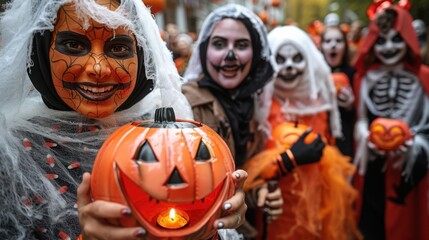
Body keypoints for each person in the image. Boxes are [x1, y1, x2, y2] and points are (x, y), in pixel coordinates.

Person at [0, 0, 247, 239]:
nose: (98, 68)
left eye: (118, 48)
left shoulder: (167, 133)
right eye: (74, 45)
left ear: (141, 55)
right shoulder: (10, 156)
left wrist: (211, 226)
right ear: (42, 48)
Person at [181, 4, 283, 239]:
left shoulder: (253, 104)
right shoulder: (185, 104)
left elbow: (237, 175)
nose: (230, 56)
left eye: (241, 45)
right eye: (219, 44)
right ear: (205, 50)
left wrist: (260, 191)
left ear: (256, 52)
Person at [252, 25, 360, 239]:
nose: (289, 67)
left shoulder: (320, 99)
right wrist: (288, 159)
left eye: (296, 59)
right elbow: (252, 162)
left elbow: (331, 143)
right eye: (280, 60)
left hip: (318, 199)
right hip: (276, 203)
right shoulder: (261, 103)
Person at [352, 5, 429, 240]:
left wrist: (417, 144)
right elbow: (360, 119)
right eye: (381, 41)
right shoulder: (363, 78)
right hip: (373, 167)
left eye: (396, 39)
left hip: (411, 170)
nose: (388, 48)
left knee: (407, 226)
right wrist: (365, 136)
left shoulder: (423, 77)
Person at [320, 25, 356, 158]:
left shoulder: (354, 75)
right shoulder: (314, 75)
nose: (333, 45)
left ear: (345, 46)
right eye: (328, 41)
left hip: (345, 137)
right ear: (321, 46)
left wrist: (351, 106)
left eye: (338, 41)